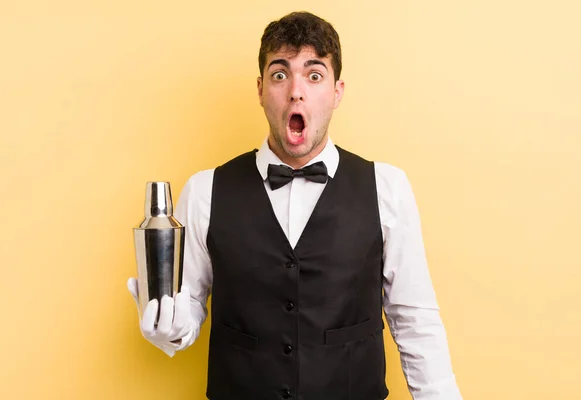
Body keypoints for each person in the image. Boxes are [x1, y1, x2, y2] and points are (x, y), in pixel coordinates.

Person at [127, 11, 462, 400]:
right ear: (260, 89)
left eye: (314, 75)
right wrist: (169, 329)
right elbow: (190, 306)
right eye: (280, 74)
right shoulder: (205, 191)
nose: (296, 92)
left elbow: (415, 320)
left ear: (337, 92)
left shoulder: (387, 188)